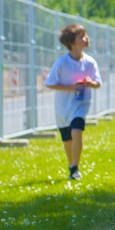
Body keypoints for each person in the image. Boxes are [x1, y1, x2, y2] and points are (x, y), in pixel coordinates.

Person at [44, 24, 102, 180]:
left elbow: (98, 83)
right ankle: (71, 166)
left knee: (77, 131)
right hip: (63, 107)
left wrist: (90, 83)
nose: (86, 38)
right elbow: (49, 83)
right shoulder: (62, 63)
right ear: (71, 42)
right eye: (82, 36)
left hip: (81, 104)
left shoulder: (90, 62)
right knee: (67, 140)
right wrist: (70, 87)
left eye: (86, 35)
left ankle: (75, 166)